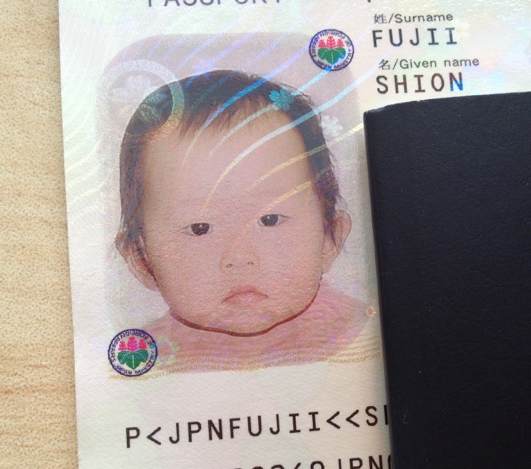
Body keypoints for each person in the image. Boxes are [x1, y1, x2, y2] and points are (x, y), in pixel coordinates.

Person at [115, 70, 370, 371]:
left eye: (270, 219)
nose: (239, 258)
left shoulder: (364, 336)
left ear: (330, 237)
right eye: (200, 229)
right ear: (141, 259)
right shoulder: (141, 359)